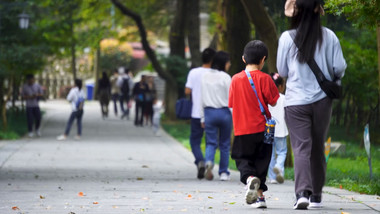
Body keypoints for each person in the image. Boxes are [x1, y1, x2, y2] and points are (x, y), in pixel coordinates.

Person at [278, 0, 346, 209]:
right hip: (322, 102)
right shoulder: (330, 36)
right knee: (318, 147)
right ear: (318, 11)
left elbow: (282, 71)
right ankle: (316, 195)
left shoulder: (286, 38)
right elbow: (339, 68)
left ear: (295, 13)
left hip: (295, 102)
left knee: (301, 148)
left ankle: (302, 193)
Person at [229, 40, 279, 208]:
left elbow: (232, 103)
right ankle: (260, 197)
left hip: (243, 129)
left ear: (243, 59)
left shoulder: (235, 79)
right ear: (263, 59)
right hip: (263, 130)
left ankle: (250, 180)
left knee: (243, 160)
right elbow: (273, 102)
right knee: (261, 162)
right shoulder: (266, 79)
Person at [199, 51, 232, 181]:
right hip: (224, 113)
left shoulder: (205, 76)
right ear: (224, 63)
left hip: (209, 112)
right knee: (224, 144)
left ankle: (209, 161)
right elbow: (231, 98)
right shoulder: (226, 77)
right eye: (228, 62)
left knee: (210, 142)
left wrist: (202, 117)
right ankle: (223, 173)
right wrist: (234, 115)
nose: (229, 64)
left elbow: (201, 98)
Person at [185, 48, 216, 179]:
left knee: (194, 141)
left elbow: (187, 91)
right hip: (211, 112)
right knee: (211, 141)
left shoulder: (194, 72)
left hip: (196, 113)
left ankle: (200, 161)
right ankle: (209, 163)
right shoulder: (217, 73)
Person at [267, 73, 288, 184]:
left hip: (269, 129)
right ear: (280, 86)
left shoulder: (266, 98)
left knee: (270, 154)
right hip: (281, 130)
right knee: (282, 152)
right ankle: (279, 167)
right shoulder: (284, 98)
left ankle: (272, 178)